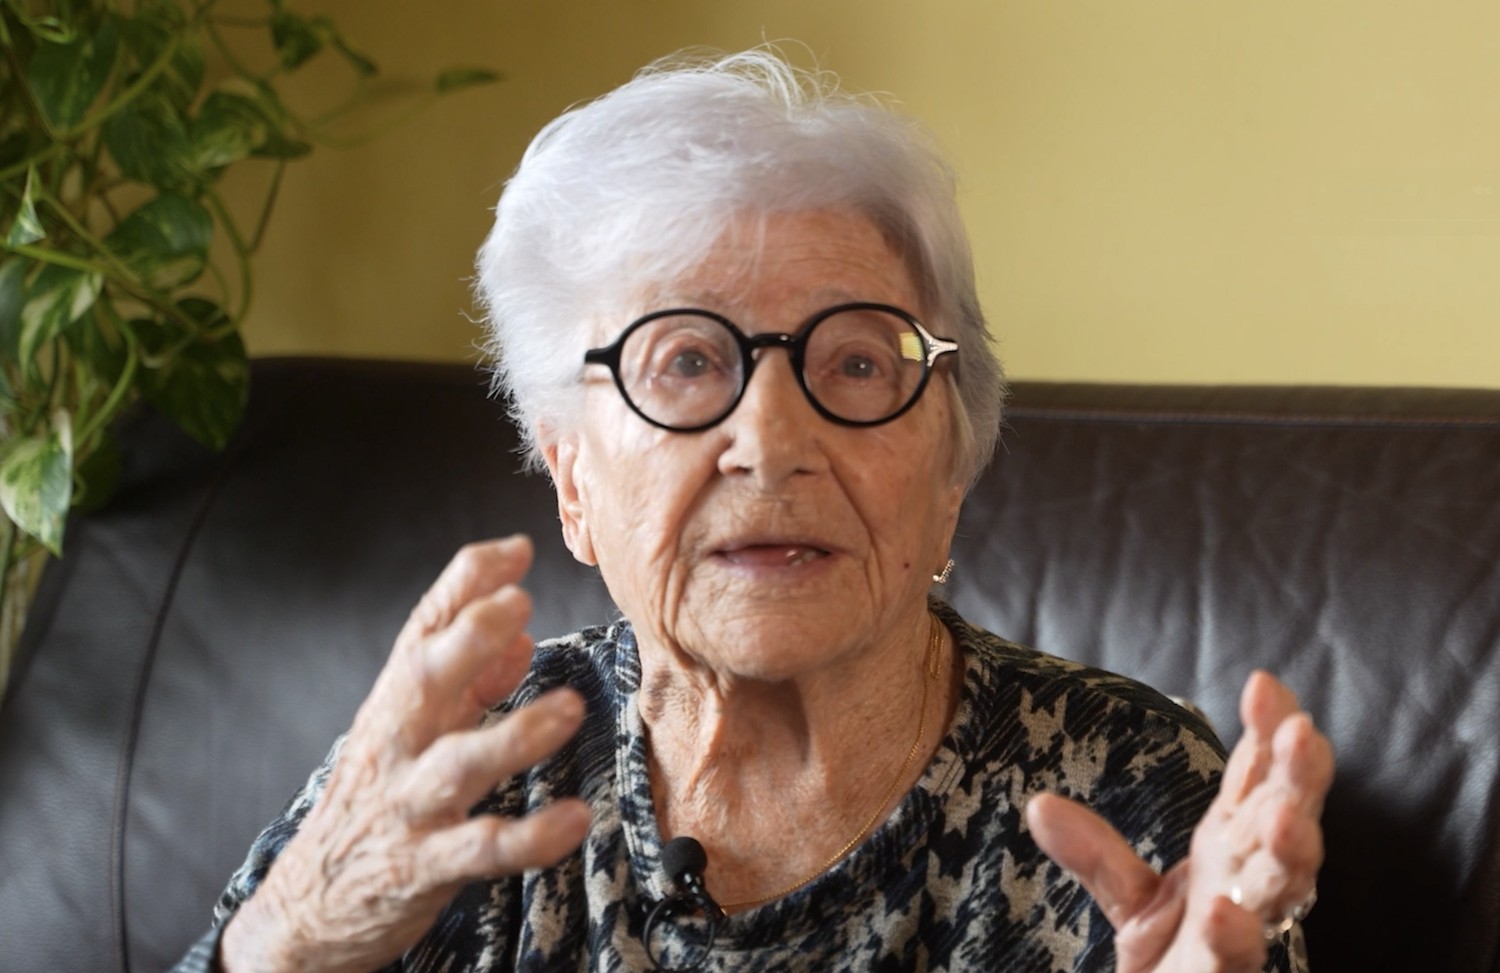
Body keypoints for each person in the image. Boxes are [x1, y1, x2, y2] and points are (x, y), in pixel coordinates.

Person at [172, 47, 1331, 973]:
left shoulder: (1119, 787)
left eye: (858, 363)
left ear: (951, 477)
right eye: (685, 361)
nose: (772, 441)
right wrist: (287, 943)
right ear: (571, 477)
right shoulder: (463, 773)